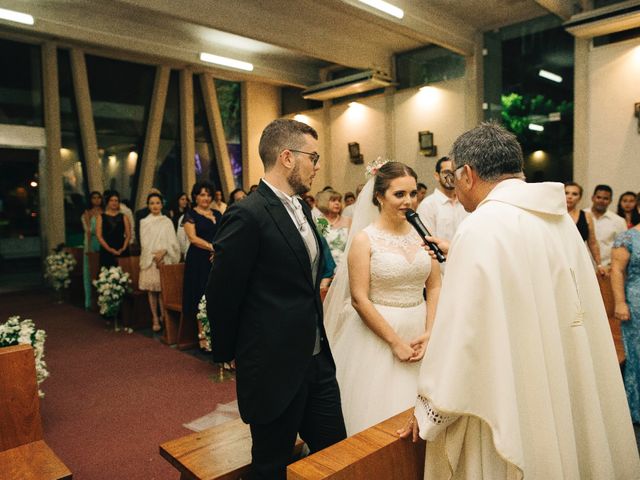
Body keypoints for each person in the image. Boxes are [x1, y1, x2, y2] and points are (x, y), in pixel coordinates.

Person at [398, 122, 639, 479]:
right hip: (556, 375)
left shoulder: (480, 227)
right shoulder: (556, 219)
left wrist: (431, 407)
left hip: (511, 394)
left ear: (467, 174)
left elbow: (463, 334)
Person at [206, 119, 346, 479]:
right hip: (273, 365)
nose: (316, 166)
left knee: (336, 457)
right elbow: (222, 292)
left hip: (317, 362)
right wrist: (229, 352)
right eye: (312, 157)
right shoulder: (248, 214)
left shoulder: (301, 208)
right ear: (287, 157)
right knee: (271, 466)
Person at [324, 161, 441, 436]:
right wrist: (395, 342)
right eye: (399, 194)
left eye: (413, 194)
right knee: (379, 418)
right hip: (378, 336)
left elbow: (435, 286)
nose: (409, 201)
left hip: (420, 328)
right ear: (379, 196)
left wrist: (430, 331)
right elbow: (359, 299)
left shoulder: (423, 234)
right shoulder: (365, 240)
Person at [183, 181, 221, 349]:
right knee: (201, 295)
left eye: (208, 195)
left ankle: (217, 335)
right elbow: (193, 238)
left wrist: (219, 250)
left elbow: (225, 233)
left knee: (216, 296)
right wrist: (212, 248)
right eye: (202, 195)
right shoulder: (190, 215)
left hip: (217, 260)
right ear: (196, 197)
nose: (206, 198)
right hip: (199, 260)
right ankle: (203, 337)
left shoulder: (218, 213)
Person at [139, 193, 180, 332]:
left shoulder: (167, 221)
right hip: (151, 260)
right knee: (152, 291)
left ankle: (164, 317)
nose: (155, 206)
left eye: (157, 203)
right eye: (152, 203)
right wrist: (154, 256)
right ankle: (155, 318)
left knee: (163, 290)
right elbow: (144, 243)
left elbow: (173, 242)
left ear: (162, 205)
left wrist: (164, 252)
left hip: (165, 258)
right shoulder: (144, 222)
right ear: (148, 205)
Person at [612, 223, 640, 423]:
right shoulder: (627, 238)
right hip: (636, 303)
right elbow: (617, 271)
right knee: (637, 354)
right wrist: (620, 302)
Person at [416, 156, 468, 246]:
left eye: (454, 172)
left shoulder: (467, 202)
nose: (451, 176)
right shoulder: (428, 205)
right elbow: (427, 241)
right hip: (441, 258)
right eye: (446, 172)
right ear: (437, 176)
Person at [564, 182, 604, 275]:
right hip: (559, 258)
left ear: (580, 198)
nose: (570, 197)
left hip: (579, 259)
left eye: (574, 194)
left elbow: (592, 242)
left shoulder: (586, 215)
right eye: (566, 193)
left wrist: (599, 265)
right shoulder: (554, 215)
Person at [584, 184, 626, 270]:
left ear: (610, 201)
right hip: (583, 266)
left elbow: (622, 246)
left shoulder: (619, 221)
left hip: (607, 268)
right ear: (593, 198)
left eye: (605, 198)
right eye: (598, 197)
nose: (601, 201)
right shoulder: (582, 216)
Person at [315, 189, 351, 270]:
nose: (337, 203)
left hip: (345, 268)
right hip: (326, 269)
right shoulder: (318, 222)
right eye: (333, 200)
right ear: (324, 202)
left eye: (339, 200)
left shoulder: (348, 221)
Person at [96, 190, 131, 268]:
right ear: (108, 202)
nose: (114, 203)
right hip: (106, 249)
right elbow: (99, 236)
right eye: (111, 200)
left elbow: (128, 235)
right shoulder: (101, 217)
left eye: (116, 200)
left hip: (122, 248)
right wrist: (110, 249)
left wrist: (123, 248)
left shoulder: (124, 216)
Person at [81, 191, 102, 309]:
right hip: (91, 242)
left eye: (99, 198)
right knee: (89, 271)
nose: (97, 200)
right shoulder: (87, 213)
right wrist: (88, 248)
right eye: (94, 198)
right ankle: (89, 301)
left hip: (102, 242)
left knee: (100, 270)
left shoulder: (104, 212)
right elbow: (88, 231)